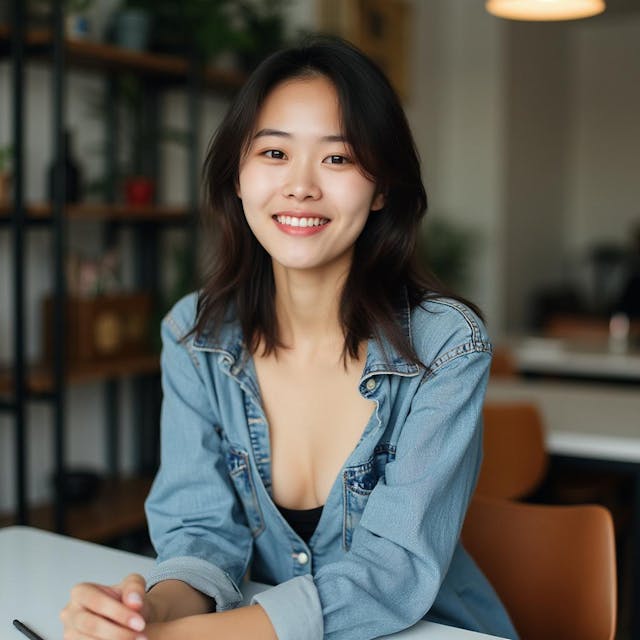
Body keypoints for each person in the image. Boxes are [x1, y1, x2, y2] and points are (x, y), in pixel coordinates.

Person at [60, 37, 518, 640]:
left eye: (338, 158)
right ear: (238, 178)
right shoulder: (195, 337)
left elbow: (394, 573)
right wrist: (144, 616)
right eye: (274, 152)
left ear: (382, 187)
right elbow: (199, 529)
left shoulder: (445, 348)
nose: (301, 186)